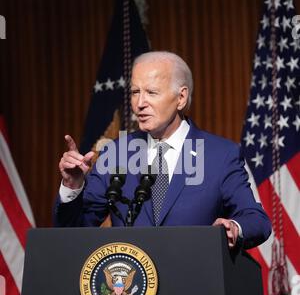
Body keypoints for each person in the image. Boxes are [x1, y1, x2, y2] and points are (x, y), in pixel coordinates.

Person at [54, 51, 271, 249]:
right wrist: (72, 187)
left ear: (181, 98)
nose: (139, 103)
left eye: (151, 92)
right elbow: (73, 231)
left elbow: (256, 219)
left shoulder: (220, 155)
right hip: (132, 287)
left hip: (196, 284)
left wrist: (233, 227)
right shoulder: (116, 153)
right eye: (135, 92)